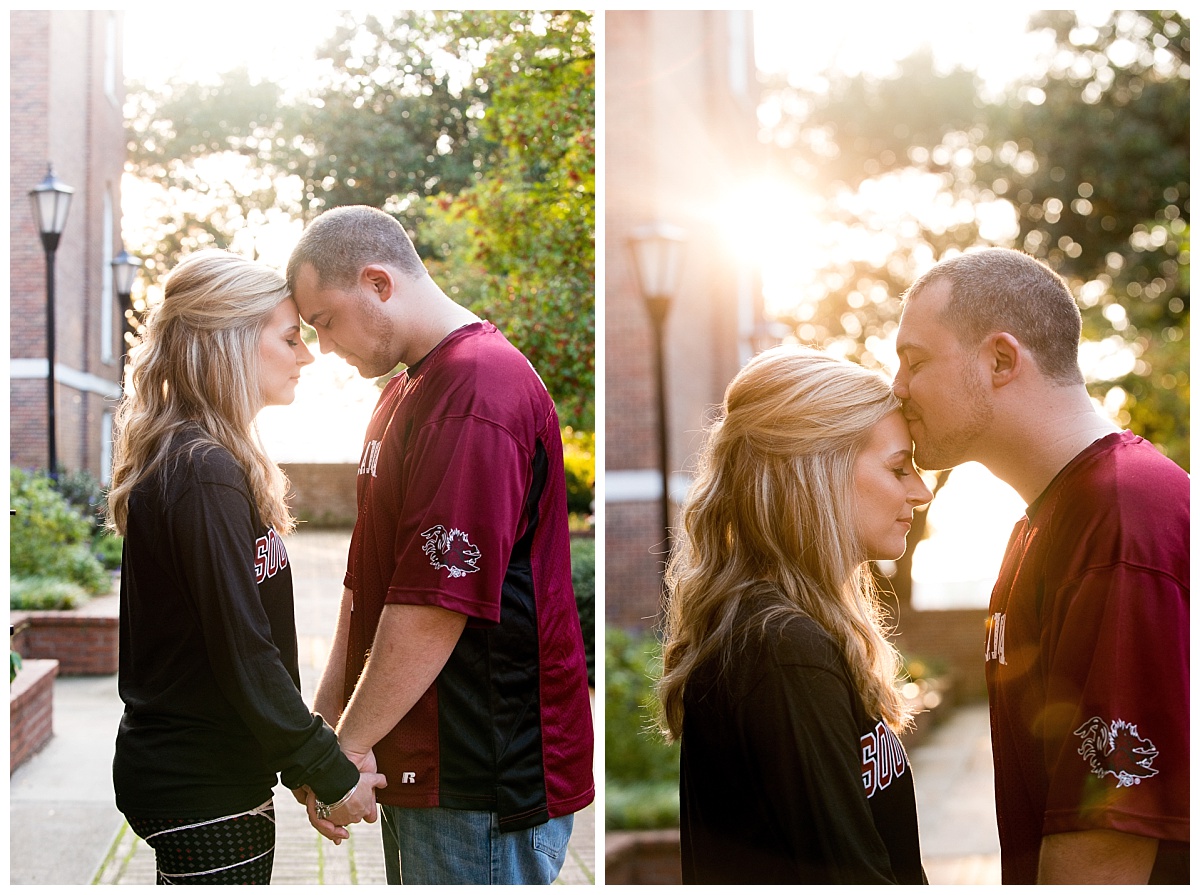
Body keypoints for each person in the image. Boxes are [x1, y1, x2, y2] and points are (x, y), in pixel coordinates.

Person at [285, 205, 594, 885]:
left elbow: (431, 608)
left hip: (479, 778)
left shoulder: (478, 389)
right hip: (423, 771)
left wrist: (344, 751)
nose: (325, 348)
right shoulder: (402, 392)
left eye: (326, 321)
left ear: (378, 282)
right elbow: (365, 591)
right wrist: (326, 735)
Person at [892, 247, 1189, 885]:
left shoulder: (1119, 518)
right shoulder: (1049, 520)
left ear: (1000, 360)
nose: (898, 387)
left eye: (915, 361)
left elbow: (1107, 840)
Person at [105, 250, 385, 884]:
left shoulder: (207, 462)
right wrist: (329, 772)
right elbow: (245, 651)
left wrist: (300, 765)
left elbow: (247, 652)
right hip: (201, 782)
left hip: (213, 773)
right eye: (290, 337)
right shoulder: (201, 471)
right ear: (230, 342)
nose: (307, 354)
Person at [656, 346, 933, 884]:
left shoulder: (789, 632)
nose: (919, 492)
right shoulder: (782, 648)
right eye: (900, 468)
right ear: (819, 470)